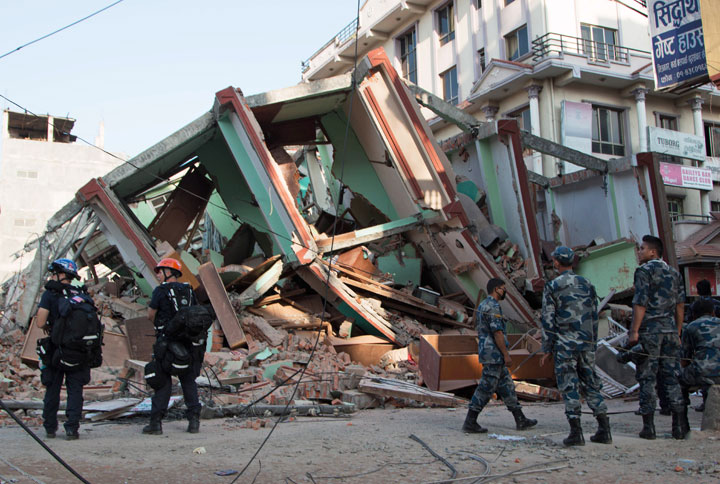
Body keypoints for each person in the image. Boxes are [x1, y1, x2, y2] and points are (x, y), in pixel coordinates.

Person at [540, 246, 610, 446]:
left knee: (569, 385)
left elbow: (548, 319)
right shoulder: (587, 283)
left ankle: (576, 432)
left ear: (556, 262)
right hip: (586, 343)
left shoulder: (553, 286)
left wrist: (547, 347)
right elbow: (594, 314)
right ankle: (604, 429)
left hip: (566, 344)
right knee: (592, 384)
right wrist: (593, 341)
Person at [628, 235, 688, 440]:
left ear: (653, 252)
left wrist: (634, 331)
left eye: (642, 248)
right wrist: (678, 331)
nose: (639, 252)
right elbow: (680, 305)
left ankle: (649, 427)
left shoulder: (644, 271)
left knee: (647, 378)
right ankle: (678, 426)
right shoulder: (673, 272)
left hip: (650, 331)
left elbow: (640, 302)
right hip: (670, 331)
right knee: (672, 377)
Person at [463, 278, 537, 433]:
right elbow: (497, 333)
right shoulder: (493, 306)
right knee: (486, 388)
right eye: (503, 288)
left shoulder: (484, 304)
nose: (505, 291)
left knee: (507, 386)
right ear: (496, 289)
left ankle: (520, 418)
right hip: (494, 354)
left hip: (490, 352)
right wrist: (506, 354)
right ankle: (470, 421)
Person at [143, 258, 203, 436]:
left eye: (160, 271)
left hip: (167, 343)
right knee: (188, 380)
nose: (158, 274)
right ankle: (194, 421)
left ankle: (156, 423)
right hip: (187, 343)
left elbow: (150, 315)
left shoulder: (160, 291)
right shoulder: (188, 290)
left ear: (169, 272)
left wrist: (163, 329)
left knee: (163, 381)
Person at [36, 258, 91, 441]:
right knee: (75, 390)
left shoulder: (51, 294)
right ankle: (72, 428)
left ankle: (50, 427)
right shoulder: (81, 294)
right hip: (79, 350)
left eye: (54, 273)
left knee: (53, 388)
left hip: (57, 349)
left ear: (60, 274)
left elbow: (40, 322)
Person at [680, 298, 720, 412]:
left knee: (675, 379)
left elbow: (684, 360)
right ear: (713, 312)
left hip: (704, 372)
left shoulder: (691, 327)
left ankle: (681, 422)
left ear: (694, 314)